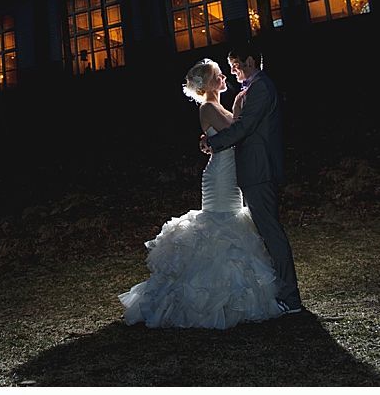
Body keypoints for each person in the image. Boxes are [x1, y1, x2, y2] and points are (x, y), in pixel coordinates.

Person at [118, 59, 281, 329]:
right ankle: (202, 299)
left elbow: (236, 128)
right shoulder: (207, 107)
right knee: (219, 228)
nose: (224, 78)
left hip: (231, 175)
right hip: (219, 176)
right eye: (219, 75)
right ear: (208, 83)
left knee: (232, 227)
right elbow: (236, 131)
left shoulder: (219, 106)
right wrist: (241, 108)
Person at [201, 42, 303, 315]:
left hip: (260, 170)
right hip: (251, 171)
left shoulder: (261, 88)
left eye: (235, 66)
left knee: (271, 232)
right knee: (264, 232)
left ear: (249, 61)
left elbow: (245, 127)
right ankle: (279, 291)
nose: (233, 73)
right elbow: (238, 125)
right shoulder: (251, 90)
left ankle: (290, 297)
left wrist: (215, 142)